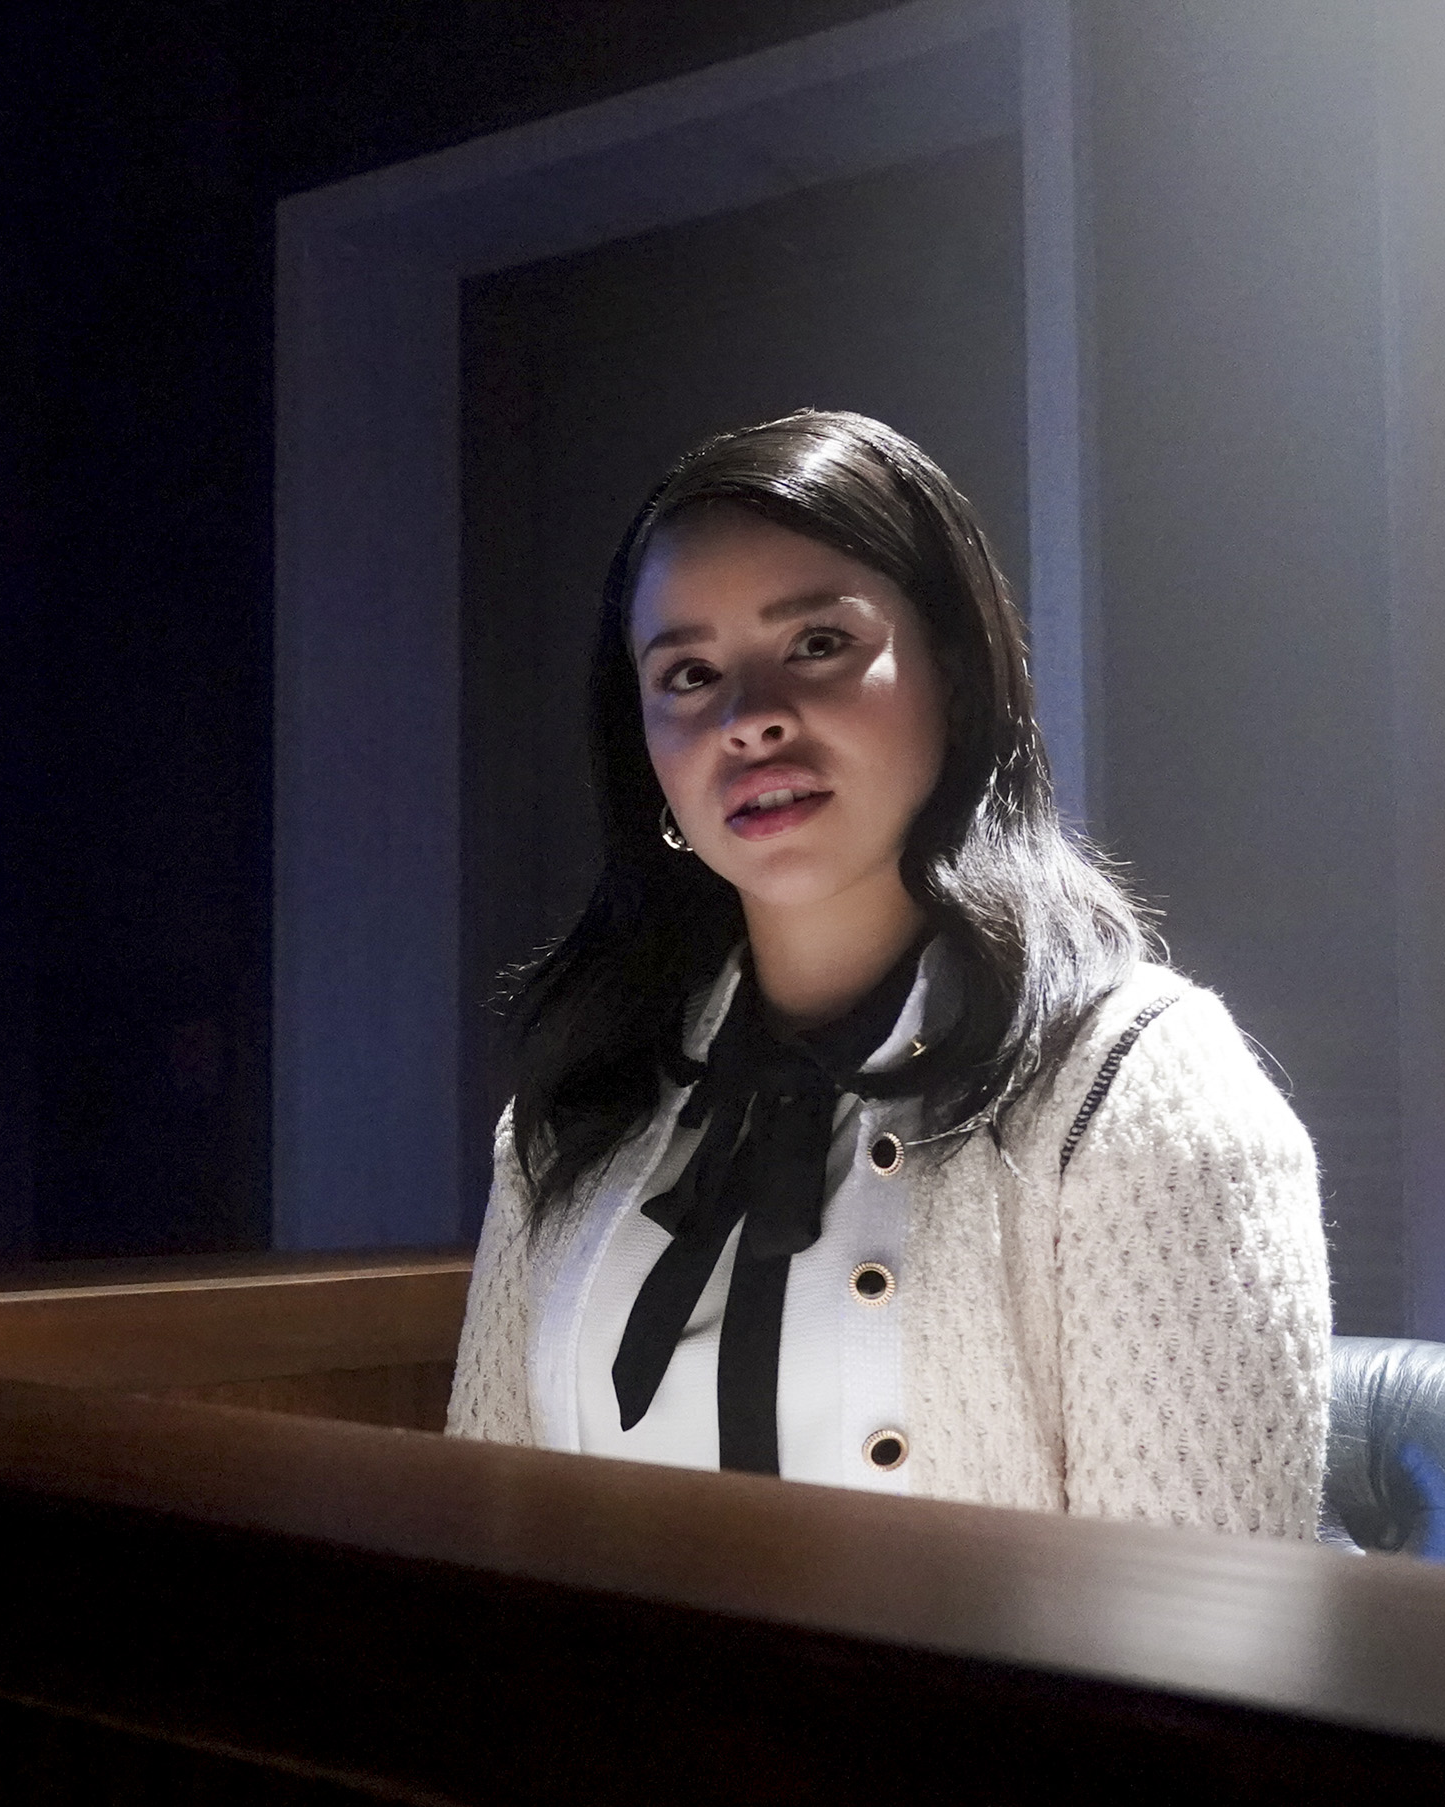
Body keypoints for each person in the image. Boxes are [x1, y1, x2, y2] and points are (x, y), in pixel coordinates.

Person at [444, 410, 1328, 1535]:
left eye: (817, 644)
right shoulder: (572, 1110)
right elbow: (484, 1573)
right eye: (689, 673)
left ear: (954, 675)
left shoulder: (1140, 1096)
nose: (751, 719)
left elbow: (1206, 1664)